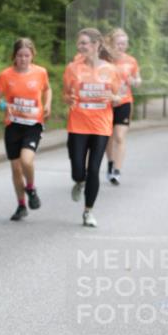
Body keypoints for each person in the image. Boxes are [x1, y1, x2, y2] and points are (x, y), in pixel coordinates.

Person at [63, 28, 121, 227]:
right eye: (79, 43)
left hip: (101, 125)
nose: (81, 46)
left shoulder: (111, 70)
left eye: (84, 43)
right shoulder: (73, 68)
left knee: (94, 169)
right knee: (78, 168)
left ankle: (88, 211)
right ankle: (79, 181)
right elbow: (65, 94)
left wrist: (113, 98)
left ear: (96, 45)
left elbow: (118, 96)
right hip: (77, 123)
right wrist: (68, 98)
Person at [0, 38, 51, 221]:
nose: (23, 59)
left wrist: (48, 104)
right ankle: (21, 205)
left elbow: (47, 89)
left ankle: (31, 189)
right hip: (13, 125)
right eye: (20, 55)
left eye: (27, 55)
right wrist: (5, 106)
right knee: (15, 168)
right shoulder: (6, 75)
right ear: (14, 56)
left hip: (33, 124)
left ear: (32, 56)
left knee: (26, 161)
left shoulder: (40, 72)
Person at [104, 28, 141, 185]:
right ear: (112, 44)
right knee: (108, 138)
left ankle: (117, 171)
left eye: (124, 44)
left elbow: (138, 79)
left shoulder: (131, 61)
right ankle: (111, 162)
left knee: (119, 136)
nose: (121, 46)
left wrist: (135, 81)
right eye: (118, 43)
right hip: (107, 104)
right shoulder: (105, 60)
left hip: (125, 101)